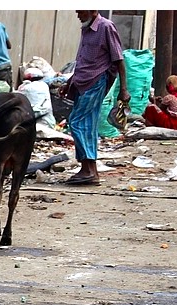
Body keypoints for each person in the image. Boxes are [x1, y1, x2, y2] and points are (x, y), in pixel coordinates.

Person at [58, 11, 129, 185]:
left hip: (96, 81)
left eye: (80, 11)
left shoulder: (106, 27)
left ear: (92, 10)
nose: (78, 15)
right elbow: (82, 60)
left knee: (76, 122)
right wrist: (69, 83)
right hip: (82, 81)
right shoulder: (86, 29)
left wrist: (124, 89)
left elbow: (119, 60)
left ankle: (88, 168)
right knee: (88, 125)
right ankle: (90, 170)